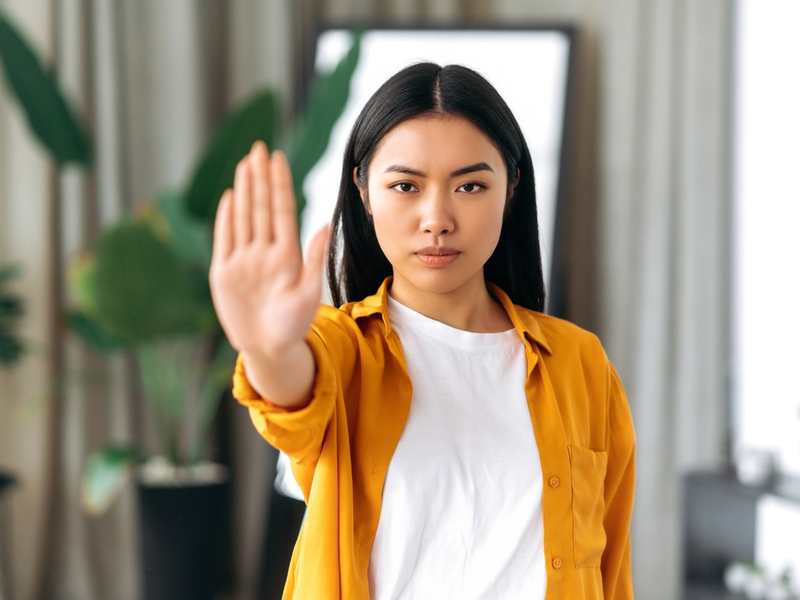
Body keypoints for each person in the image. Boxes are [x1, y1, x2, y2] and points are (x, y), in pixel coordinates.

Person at [209, 62, 635, 600]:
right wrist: (266, 348)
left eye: (471, 185)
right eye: (406, 185)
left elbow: (612, 571)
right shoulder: (340, 350)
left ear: (511, 188)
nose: (437, 217)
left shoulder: (581, 364)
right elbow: (291, 391)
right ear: (364, 192)